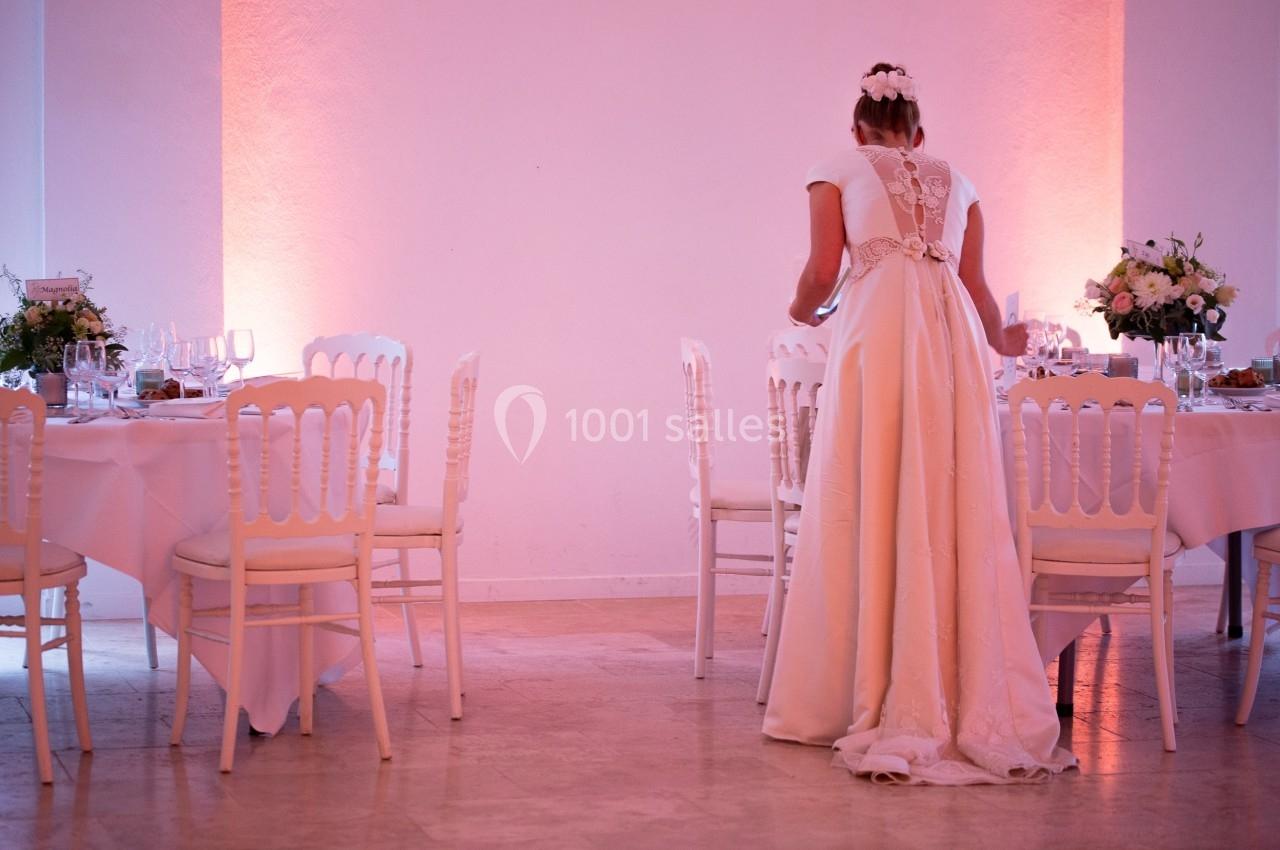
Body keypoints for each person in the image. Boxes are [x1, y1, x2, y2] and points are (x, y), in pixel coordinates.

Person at [762, 63, 1076, 785]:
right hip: (950, 342)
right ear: (919, 134)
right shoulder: (959, 181)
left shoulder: (832, 169)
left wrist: (800, 314)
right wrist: (1001, 343)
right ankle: (954, 679)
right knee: (947, 485)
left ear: (858, 129)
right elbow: (977, 286)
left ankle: (862, 684)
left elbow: (820, 270)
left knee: (865, 481)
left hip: (879, 331)